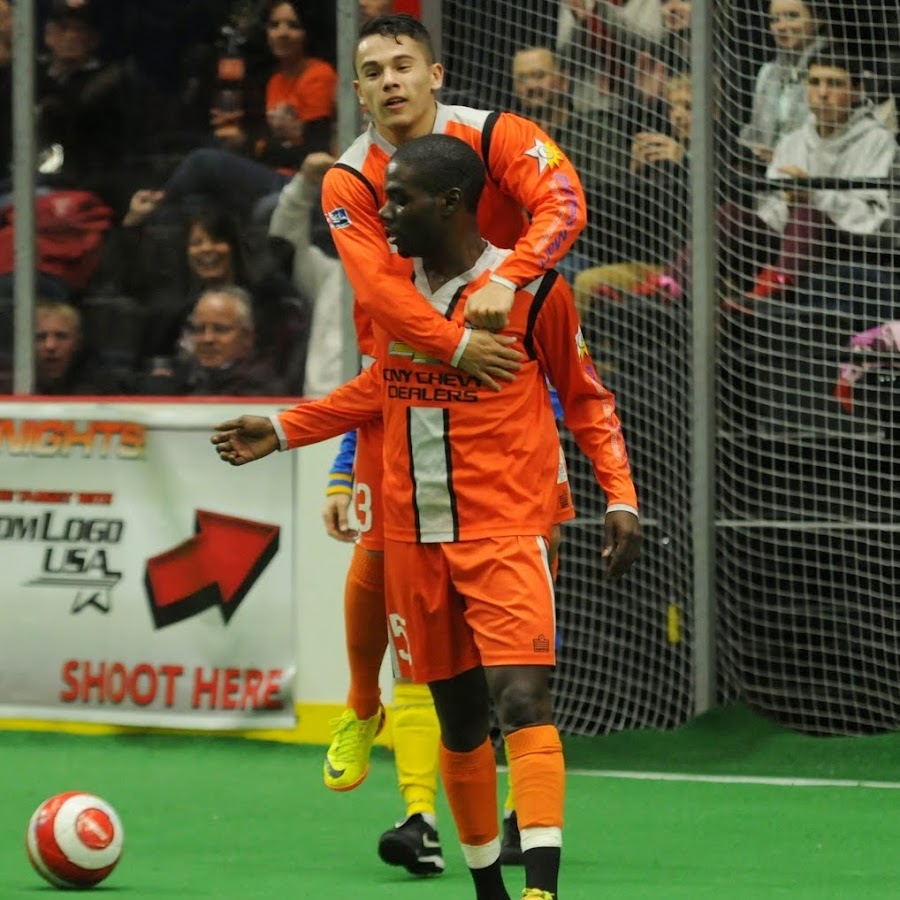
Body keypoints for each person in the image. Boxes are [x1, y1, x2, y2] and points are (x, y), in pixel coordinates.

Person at [211, 131, 641, 900]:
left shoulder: (534, 293)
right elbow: (379, 389)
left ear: (450, 203)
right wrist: (281, 428)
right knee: (461, 724)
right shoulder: (394, 298)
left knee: (523, 700)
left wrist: (620, 494)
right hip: (415, 540)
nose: (383, 214)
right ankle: (489, 891)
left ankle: (542, 891)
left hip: (506, 532)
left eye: (399, 200)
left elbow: (585, 397)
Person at [316, 11, 588, 877]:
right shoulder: (348, 179)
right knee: (384, 559)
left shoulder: (496, 134)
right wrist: (456, 345)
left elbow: (565, 203)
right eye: (372, 71)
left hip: (508, 371)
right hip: (405, 377)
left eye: (404, 64)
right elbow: (380, 296)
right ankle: (379, 738)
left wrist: (510, 279)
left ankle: (517, 804)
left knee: (517, 611)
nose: (389, 80)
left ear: (435, 75)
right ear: (358, 91)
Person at [728, 46, 897, 308]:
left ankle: (770, 294)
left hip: (848, 246)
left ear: (857, 91)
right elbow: (769, 210)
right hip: (789, 241)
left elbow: (880, 222)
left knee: (807, 214)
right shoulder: (791, 141)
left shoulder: (879, 141)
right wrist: (788, 203)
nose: (823, 93)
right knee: (731, 215)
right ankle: (672, 287)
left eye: (835, 84)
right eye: (815, 82)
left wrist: (813, 195)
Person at [268, 152, 343, 398]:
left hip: (389, 405)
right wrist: (304, 186)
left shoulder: (413, 271)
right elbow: (285, 242)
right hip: (325, 403)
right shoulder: (331, 274)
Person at [140, 285, 286, 396]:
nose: (207, 339)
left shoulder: (260, 388)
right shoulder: (187, 375)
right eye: (199, 329)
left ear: (247, 336)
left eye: (221, 329)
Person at [738, 0, 830, 167]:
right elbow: (755, 132)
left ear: (818, 20)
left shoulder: (832, 73)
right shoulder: (767, 72)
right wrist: (752, 151)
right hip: (765, 174)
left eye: (792, 16)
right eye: (775, 19)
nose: (781, 26)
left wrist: (781, 156)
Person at [34, 299, 134, 395]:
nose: (50, 346)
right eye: (40, 337)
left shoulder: (102, 386)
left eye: (61, 336)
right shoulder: (24, 379)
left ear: (77, 342)